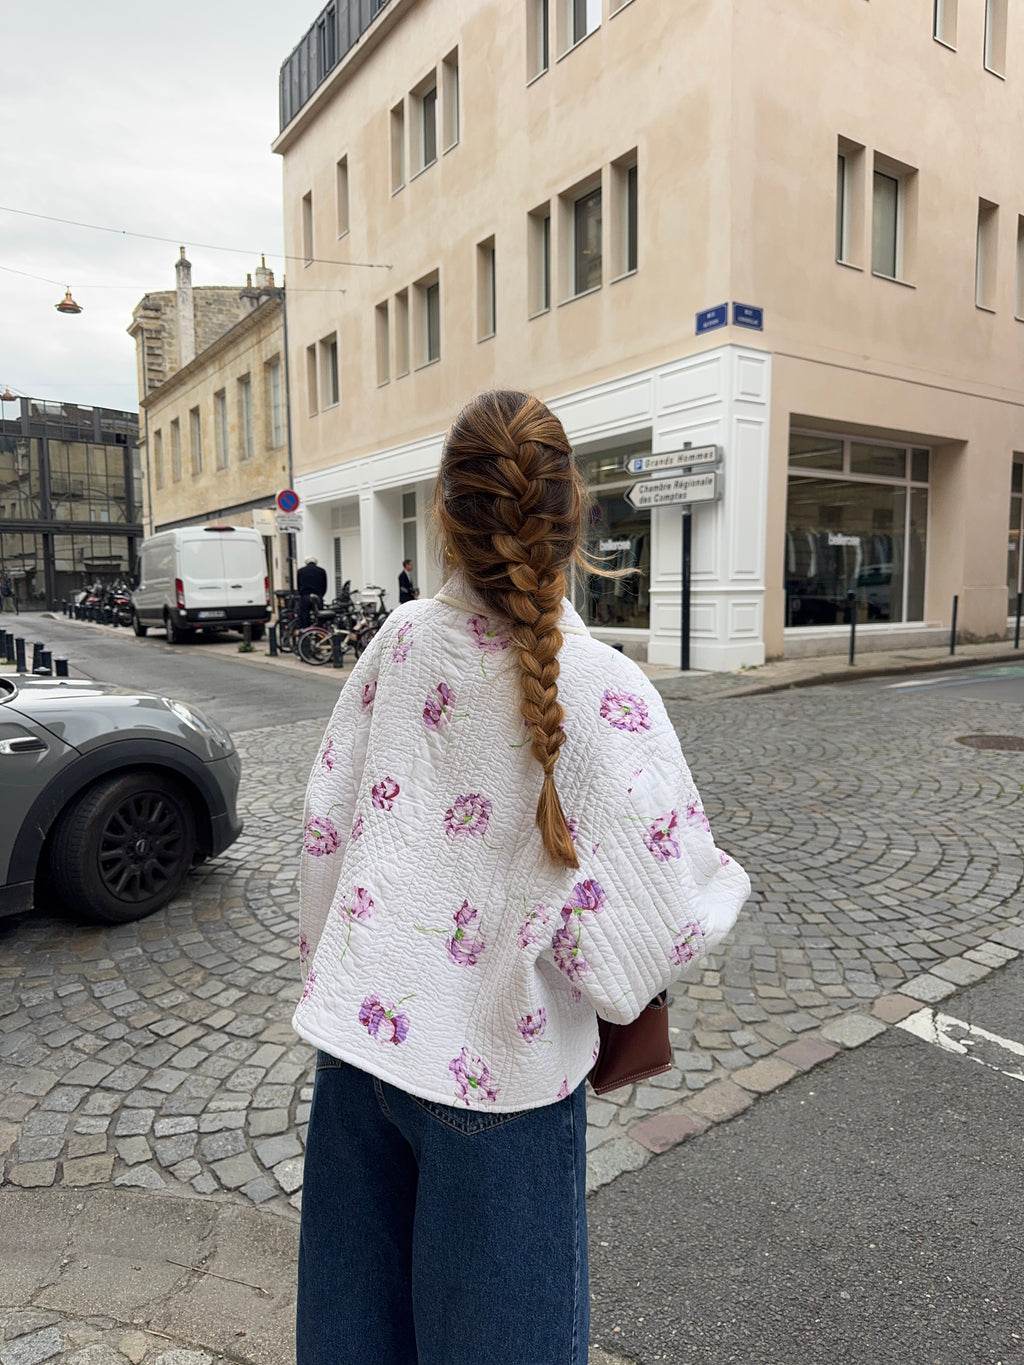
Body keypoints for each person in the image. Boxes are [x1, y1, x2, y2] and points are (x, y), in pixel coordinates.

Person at [293, 391, 750, 1365]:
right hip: (497, 1083)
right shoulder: (601, 688)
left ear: (444, 520)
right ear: (574, 514)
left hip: (357, 1056)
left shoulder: (400, 644)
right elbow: (642, 935)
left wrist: (351, 971)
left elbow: (327, 829)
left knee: (352, 1343)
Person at [296, 556, 327, 629]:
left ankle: (306, 630)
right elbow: (324, 585)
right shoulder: (321, 571)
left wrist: (302, 594)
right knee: (320, 614)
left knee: (304, 613)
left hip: (305, 596)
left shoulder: (301, 571)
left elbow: (299, 585)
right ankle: (320, 630)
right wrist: (320, 595)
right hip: (318, 596)